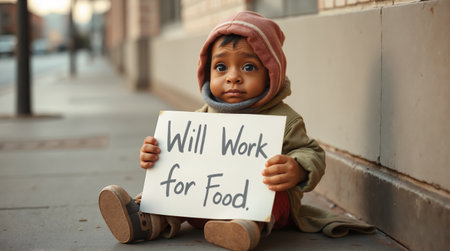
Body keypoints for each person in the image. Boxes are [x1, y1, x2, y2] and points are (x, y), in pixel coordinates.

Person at [100, 11, 367, 251]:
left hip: (262, 208)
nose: (233, 77)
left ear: (271, 73)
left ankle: (245, 228)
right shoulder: (197, 121)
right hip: (203, 203)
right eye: (221, 67)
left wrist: (297, 167)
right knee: (170, 196)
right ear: (207, 72)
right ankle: (145, 220)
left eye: (248, 67)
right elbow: (178, 165)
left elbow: (312, 152)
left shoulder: (284, 119)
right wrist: (156, 155)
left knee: (271, 196)